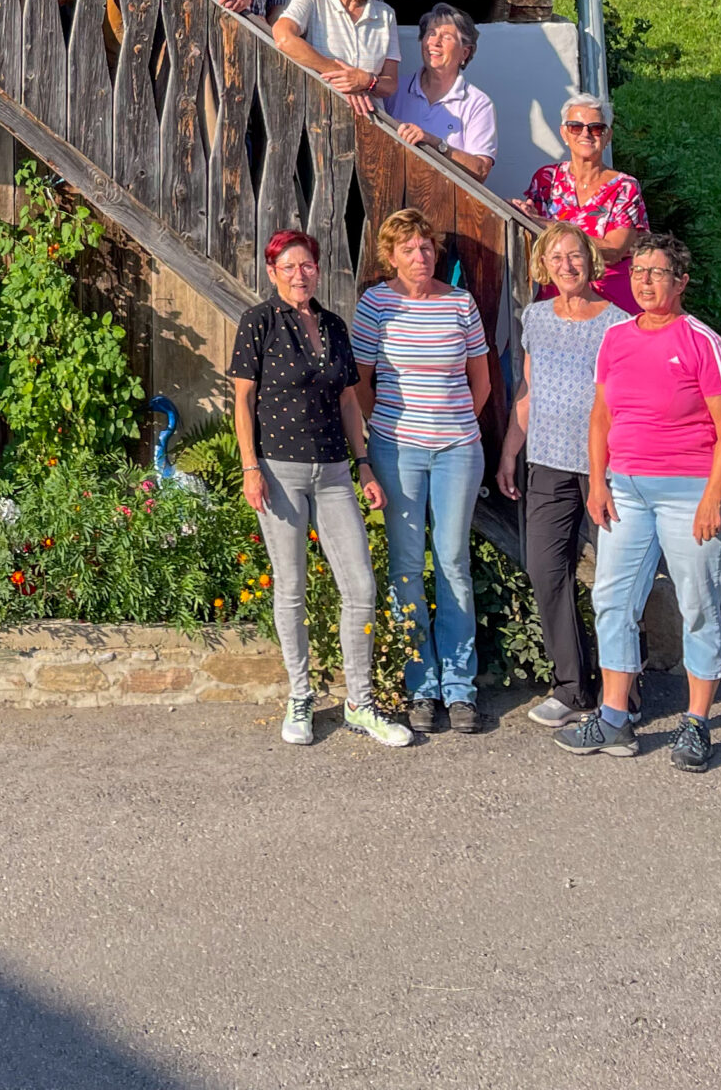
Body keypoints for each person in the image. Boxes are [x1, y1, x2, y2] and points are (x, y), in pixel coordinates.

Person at [556, 234, 721, 772]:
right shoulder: (615, 338)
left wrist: (712, 499)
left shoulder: (704, 342)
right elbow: (602, 416)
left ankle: (696, 722)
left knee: (698, 604)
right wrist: (597, 481)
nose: (644, 281)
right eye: (638, 271)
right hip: (626, 490)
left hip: (691, 492)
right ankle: (614, 717)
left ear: (680, 282)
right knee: (612, 600)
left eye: (657, 273)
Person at [231, 228, 413, 749]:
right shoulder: (259, 322)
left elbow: (351, 401)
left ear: (317, 268)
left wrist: (365, 465)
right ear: (272, 273)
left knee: (360, 586)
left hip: (334, 471)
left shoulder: (334, 325)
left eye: (306, 264)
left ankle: (359, 702)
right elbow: (243, 402)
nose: (299, 274)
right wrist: (250, 467)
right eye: (288, 266)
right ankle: (301, 695)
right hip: (280, 472)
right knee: (291, 588)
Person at [351, 207, 491, 734]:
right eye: (408, 248)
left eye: (427, 247)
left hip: (457, 449)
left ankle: (460, 687)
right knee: (407, 565)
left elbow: (482, 379)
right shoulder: (376, 304)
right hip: (396, 450)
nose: (420, 255)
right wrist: (381, 429)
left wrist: (454, 425)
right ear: (390, 256)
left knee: (453, 561)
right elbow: (361, 381)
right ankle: (420, 684)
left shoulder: (460, 303)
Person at [496, 224, 631, 726]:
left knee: (616, 583)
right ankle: (574, 689)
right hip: (547, 464)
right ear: (543, 266)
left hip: (605, 468)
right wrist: (512, 452)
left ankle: (623, 690)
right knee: (546, 572)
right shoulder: (534, 317)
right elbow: (526, 391)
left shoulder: (618, 323)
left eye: (575, 256)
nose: (566, 265)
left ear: (591, 261)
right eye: (556, 257)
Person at [519, 94, 650, 310]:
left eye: (596, 128)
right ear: (564, 133)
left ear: (607, 136)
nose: (586, 134)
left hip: (611, 301)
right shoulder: (546, 179)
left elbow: (614, 250)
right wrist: (522, 214)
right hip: (558, 298)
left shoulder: (625, 187)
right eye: (575, 127)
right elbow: (531, 242)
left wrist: (545, 225)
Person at [272, 0, 399, 118]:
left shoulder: (385, 14)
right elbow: (283, 37)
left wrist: (366, 81)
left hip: (371, 125)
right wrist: (342, 75)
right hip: (319, 118)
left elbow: (390, 84)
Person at [386, 4, 498, 181]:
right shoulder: (395, 89)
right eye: (431, 33)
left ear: (464, 53)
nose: (435, 42)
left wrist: (435, 143)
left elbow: (481, 171)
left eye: (446, 37)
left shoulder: (478, 103)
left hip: (448, 202)